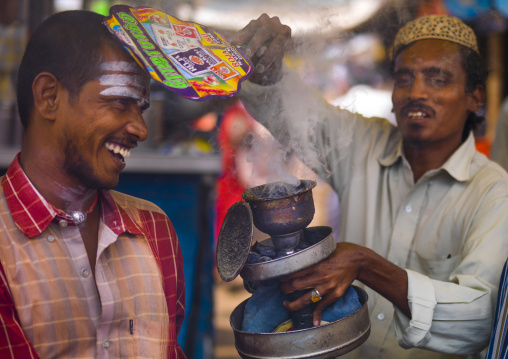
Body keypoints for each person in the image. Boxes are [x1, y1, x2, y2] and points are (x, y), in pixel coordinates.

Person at [230, 14, 508, 358]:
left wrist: (368, 266)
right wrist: (269, 70)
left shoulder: (495, 193)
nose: (417, 92)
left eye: (437, 79)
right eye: (405, 79)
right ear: (393, 95)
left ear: (475, 98)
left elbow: (479, 321)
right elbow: (301, 119)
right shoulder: (366, 143)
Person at [0, 10, 185, 358]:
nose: (140, 130)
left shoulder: (154, 229)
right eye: (120, 103)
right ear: (49, 97)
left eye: (141, 108)